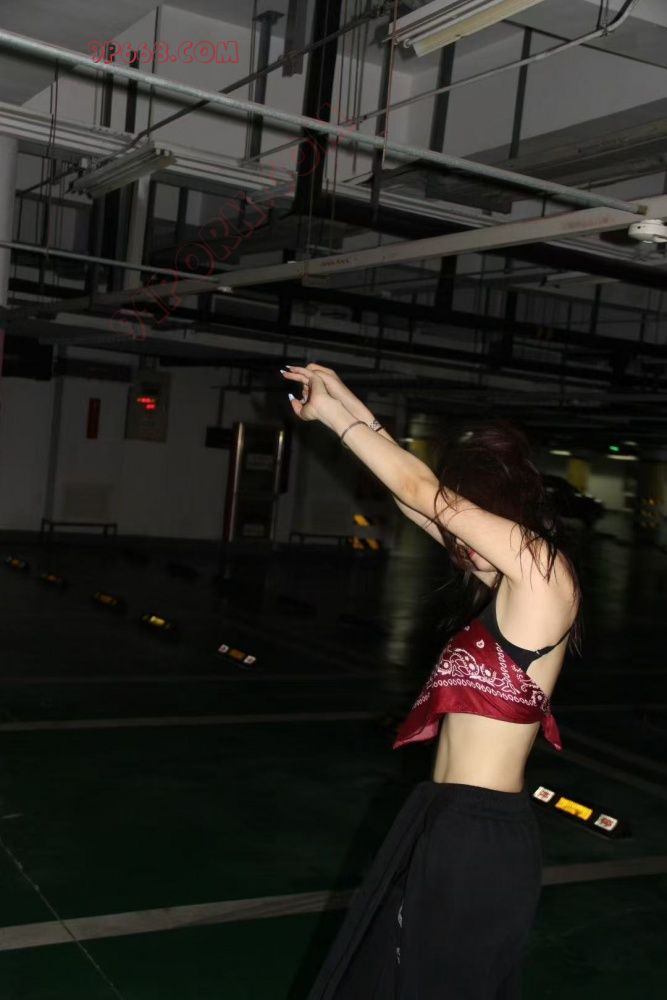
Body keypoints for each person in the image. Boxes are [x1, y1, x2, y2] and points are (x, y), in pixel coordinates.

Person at [280, 362, 581, 999]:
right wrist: (345, 406)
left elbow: (421, 490)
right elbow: (412, 497)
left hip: (480, 833)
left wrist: (335, 415)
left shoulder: (541, 574)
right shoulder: (504, 580)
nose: (456, 537)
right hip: (442, 818)